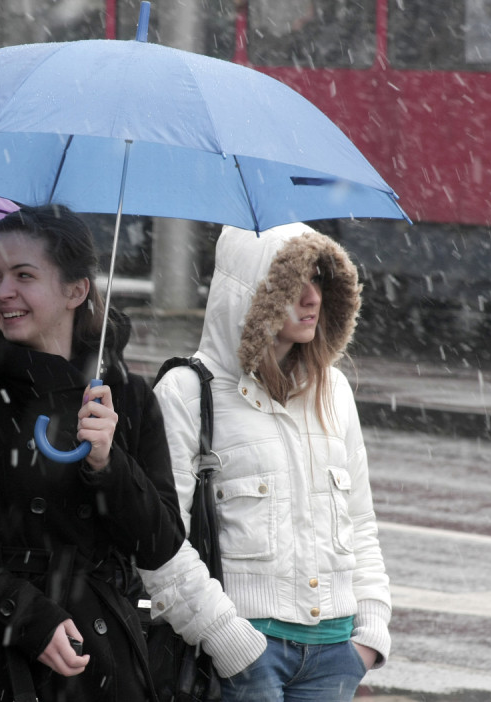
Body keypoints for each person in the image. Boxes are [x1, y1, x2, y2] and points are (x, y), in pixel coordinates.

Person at [0, 204, 185, 700]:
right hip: (2, 657)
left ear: (76, 290)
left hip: (106, 654)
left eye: (23, 275)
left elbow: (160, 544)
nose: (1, 292)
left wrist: (107, 463)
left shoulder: (127, 397)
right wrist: (26, 615)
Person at [141, 223, 391, 701]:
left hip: (335, 654)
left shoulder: (333, 390)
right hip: (244, 654)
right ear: (249, 295)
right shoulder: (186, 392)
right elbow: (160, 541)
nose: (312, 298)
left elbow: (360, 520)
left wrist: (369, 632)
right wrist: (230, 641)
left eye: (319, 280)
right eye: (291, 284)